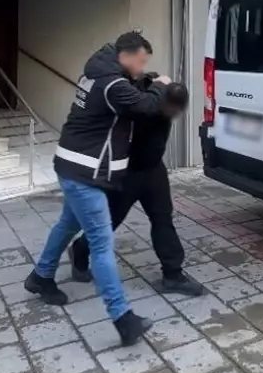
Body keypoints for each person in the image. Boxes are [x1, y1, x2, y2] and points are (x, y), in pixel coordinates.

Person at [24, 32, 169, 346]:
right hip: (84, 174)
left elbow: (131, 92)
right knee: (102, 245)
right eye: (141, 62)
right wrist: (160, 86)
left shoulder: (97, 74)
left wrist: (147, 80)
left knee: (67, 224)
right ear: (125, 56)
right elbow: (144, 106)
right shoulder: (112, 85)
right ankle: (123, 318)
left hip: (72, 165)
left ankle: (41, 276)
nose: (142, 68)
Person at [69, 80, 205, 297]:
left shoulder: (160, 96)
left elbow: (151, 79)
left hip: (154, 170)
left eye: (179, 110)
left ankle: (173, 275)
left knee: (163, 219)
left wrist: (156, 80)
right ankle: (80, 249)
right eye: (173, 109)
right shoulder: (142, 105)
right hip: (128, 174)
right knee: (110, 221)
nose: (175, 114)